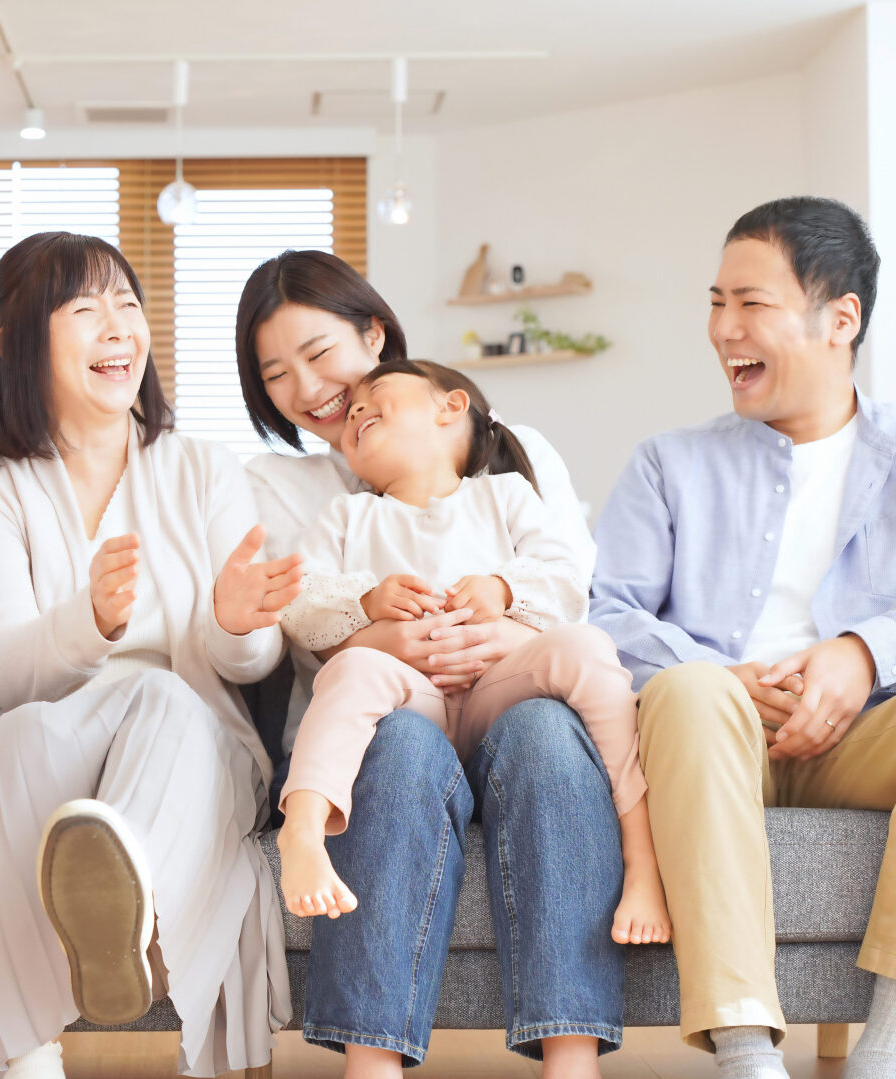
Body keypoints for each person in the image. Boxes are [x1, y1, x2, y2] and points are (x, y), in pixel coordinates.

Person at [590, 196, 896, 1079]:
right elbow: (606, 613)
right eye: (715, 301)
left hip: (869, 732)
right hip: (712, 733)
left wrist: (867, 649)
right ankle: (745, 1054)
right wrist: (723, 675)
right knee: (690, 689)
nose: (722, 327)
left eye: (750, 303)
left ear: (840, 317)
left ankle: (888, 1051)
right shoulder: (669, 464)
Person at [0, 231, 300, 1079]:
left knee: (164, 701)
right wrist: (91, 623)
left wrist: (237, 621)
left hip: (195, 743)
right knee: (19, 738)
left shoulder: (201, 469)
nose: (118, 328)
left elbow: (250, 661)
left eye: (126, 304)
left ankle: (124, 912)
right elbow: (1, 668)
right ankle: (30, 1045)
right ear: (15, 341)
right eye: (85, 310)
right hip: (47, 745)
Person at [235, 250, 626, 1079]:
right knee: (406, 749)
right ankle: (369, 1059)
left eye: (318, 353)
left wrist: (504, 635)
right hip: (387, 729)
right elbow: (293, 627)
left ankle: (572, 1052)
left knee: (549, 733)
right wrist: (376, 630)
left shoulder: (505, 463)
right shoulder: (293, 490)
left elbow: (570, 594)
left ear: (374, 333)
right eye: (275, 375)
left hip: (506, 709)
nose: (307, 390)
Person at [274, 358, 668, 950]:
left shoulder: (504, 497)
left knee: (587, 647)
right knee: (351, 668)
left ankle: (642, 856)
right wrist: (368, 598)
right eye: (351, 407)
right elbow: (300, 606)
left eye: (375, 394)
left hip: (496, 697)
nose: (355, 408)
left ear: (450, 407)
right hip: (411, 706)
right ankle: (302, 833)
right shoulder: (348, 516)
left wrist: (505, 589)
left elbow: (566, 577)